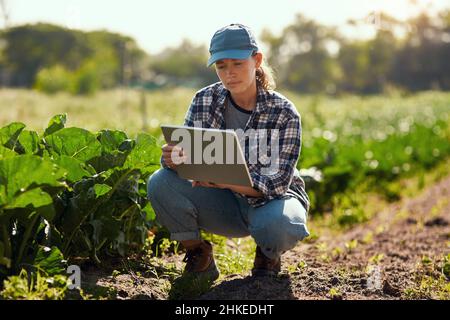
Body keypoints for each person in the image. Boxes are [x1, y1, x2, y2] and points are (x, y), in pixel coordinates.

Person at [147, 23, 310, 281]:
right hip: (222, 201)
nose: (229, 73)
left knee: (281, 226)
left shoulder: (284, 112)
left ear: (256, 60)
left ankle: (268, 253)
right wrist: (173, 159)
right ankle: (199, 255)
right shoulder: (204, 100)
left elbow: (277, 186)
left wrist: (226, 180)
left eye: (237, 64)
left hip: (271, 202)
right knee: (160, 183)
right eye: (221, 66)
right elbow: (188, 161)